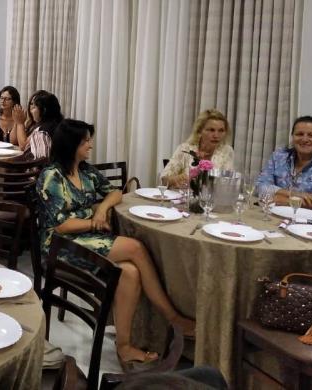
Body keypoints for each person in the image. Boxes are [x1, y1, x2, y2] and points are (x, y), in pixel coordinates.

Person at [36, 119, 195, 369]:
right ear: (71, 145)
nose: (90, 145)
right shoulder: (51, 176)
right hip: (60, 245)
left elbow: (116, 192)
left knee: (130, 272)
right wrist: (93, 222)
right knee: (136, 248)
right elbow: (61, 225)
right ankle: (173, 317)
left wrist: (102, 209)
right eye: (85, 141)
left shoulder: (86, 172)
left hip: (85, 237)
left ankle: (124, 347)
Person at [256, 115, 312, 213]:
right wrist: (294, 194)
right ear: (292, 136)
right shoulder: (279, 156)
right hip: (276, 214)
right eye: (299, 134)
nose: (304, 139)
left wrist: (285, 200)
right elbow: (260, 185)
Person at [161, 109, 235, 188]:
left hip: (213, 196)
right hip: (184, 195)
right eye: (211, 130)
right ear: (200, 131)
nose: (216, 135)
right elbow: (163, 179)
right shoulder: (185, 148)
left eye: (221, 130)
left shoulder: (227, 151)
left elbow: (228, 183)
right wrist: (175, 180)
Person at [22, 90, 63, 160]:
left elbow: (40, 162)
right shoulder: (60, 124)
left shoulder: (41, 132)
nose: (30, 110)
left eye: (34, 107)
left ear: (44, 110)